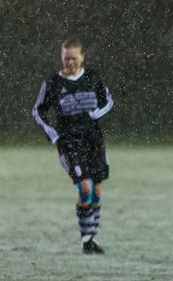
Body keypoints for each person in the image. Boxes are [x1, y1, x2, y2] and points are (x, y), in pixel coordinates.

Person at [32, 37, 114, 254]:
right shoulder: (53, 83)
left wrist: (96, 113)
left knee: (97, 189)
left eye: (73, 58)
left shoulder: (93, 78)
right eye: (66, 58)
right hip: (69, 142)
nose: (69, 63)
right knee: (85, 187)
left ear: (82, 57)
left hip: (93, 140)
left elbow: (108, 100)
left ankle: (90, 238)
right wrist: (54, 135)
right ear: (61, 57)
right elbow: (38, 110)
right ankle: (85, 239)